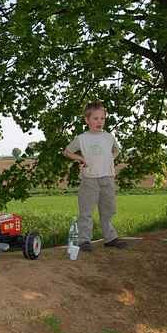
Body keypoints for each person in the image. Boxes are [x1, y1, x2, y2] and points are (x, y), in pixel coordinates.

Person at [63, 101, 127, 251]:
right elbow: (67, 151)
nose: (99, 122)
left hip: (108, 178)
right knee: (86, 211)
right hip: (89, 180)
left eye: (102, 118)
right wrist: (80, 159)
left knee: (108, 210)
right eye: (95, 118)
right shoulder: (82, 138)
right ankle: (84, 241)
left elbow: (116, 151)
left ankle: (110, 238)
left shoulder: (109, 137)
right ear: (87, 120)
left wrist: (109, 160)